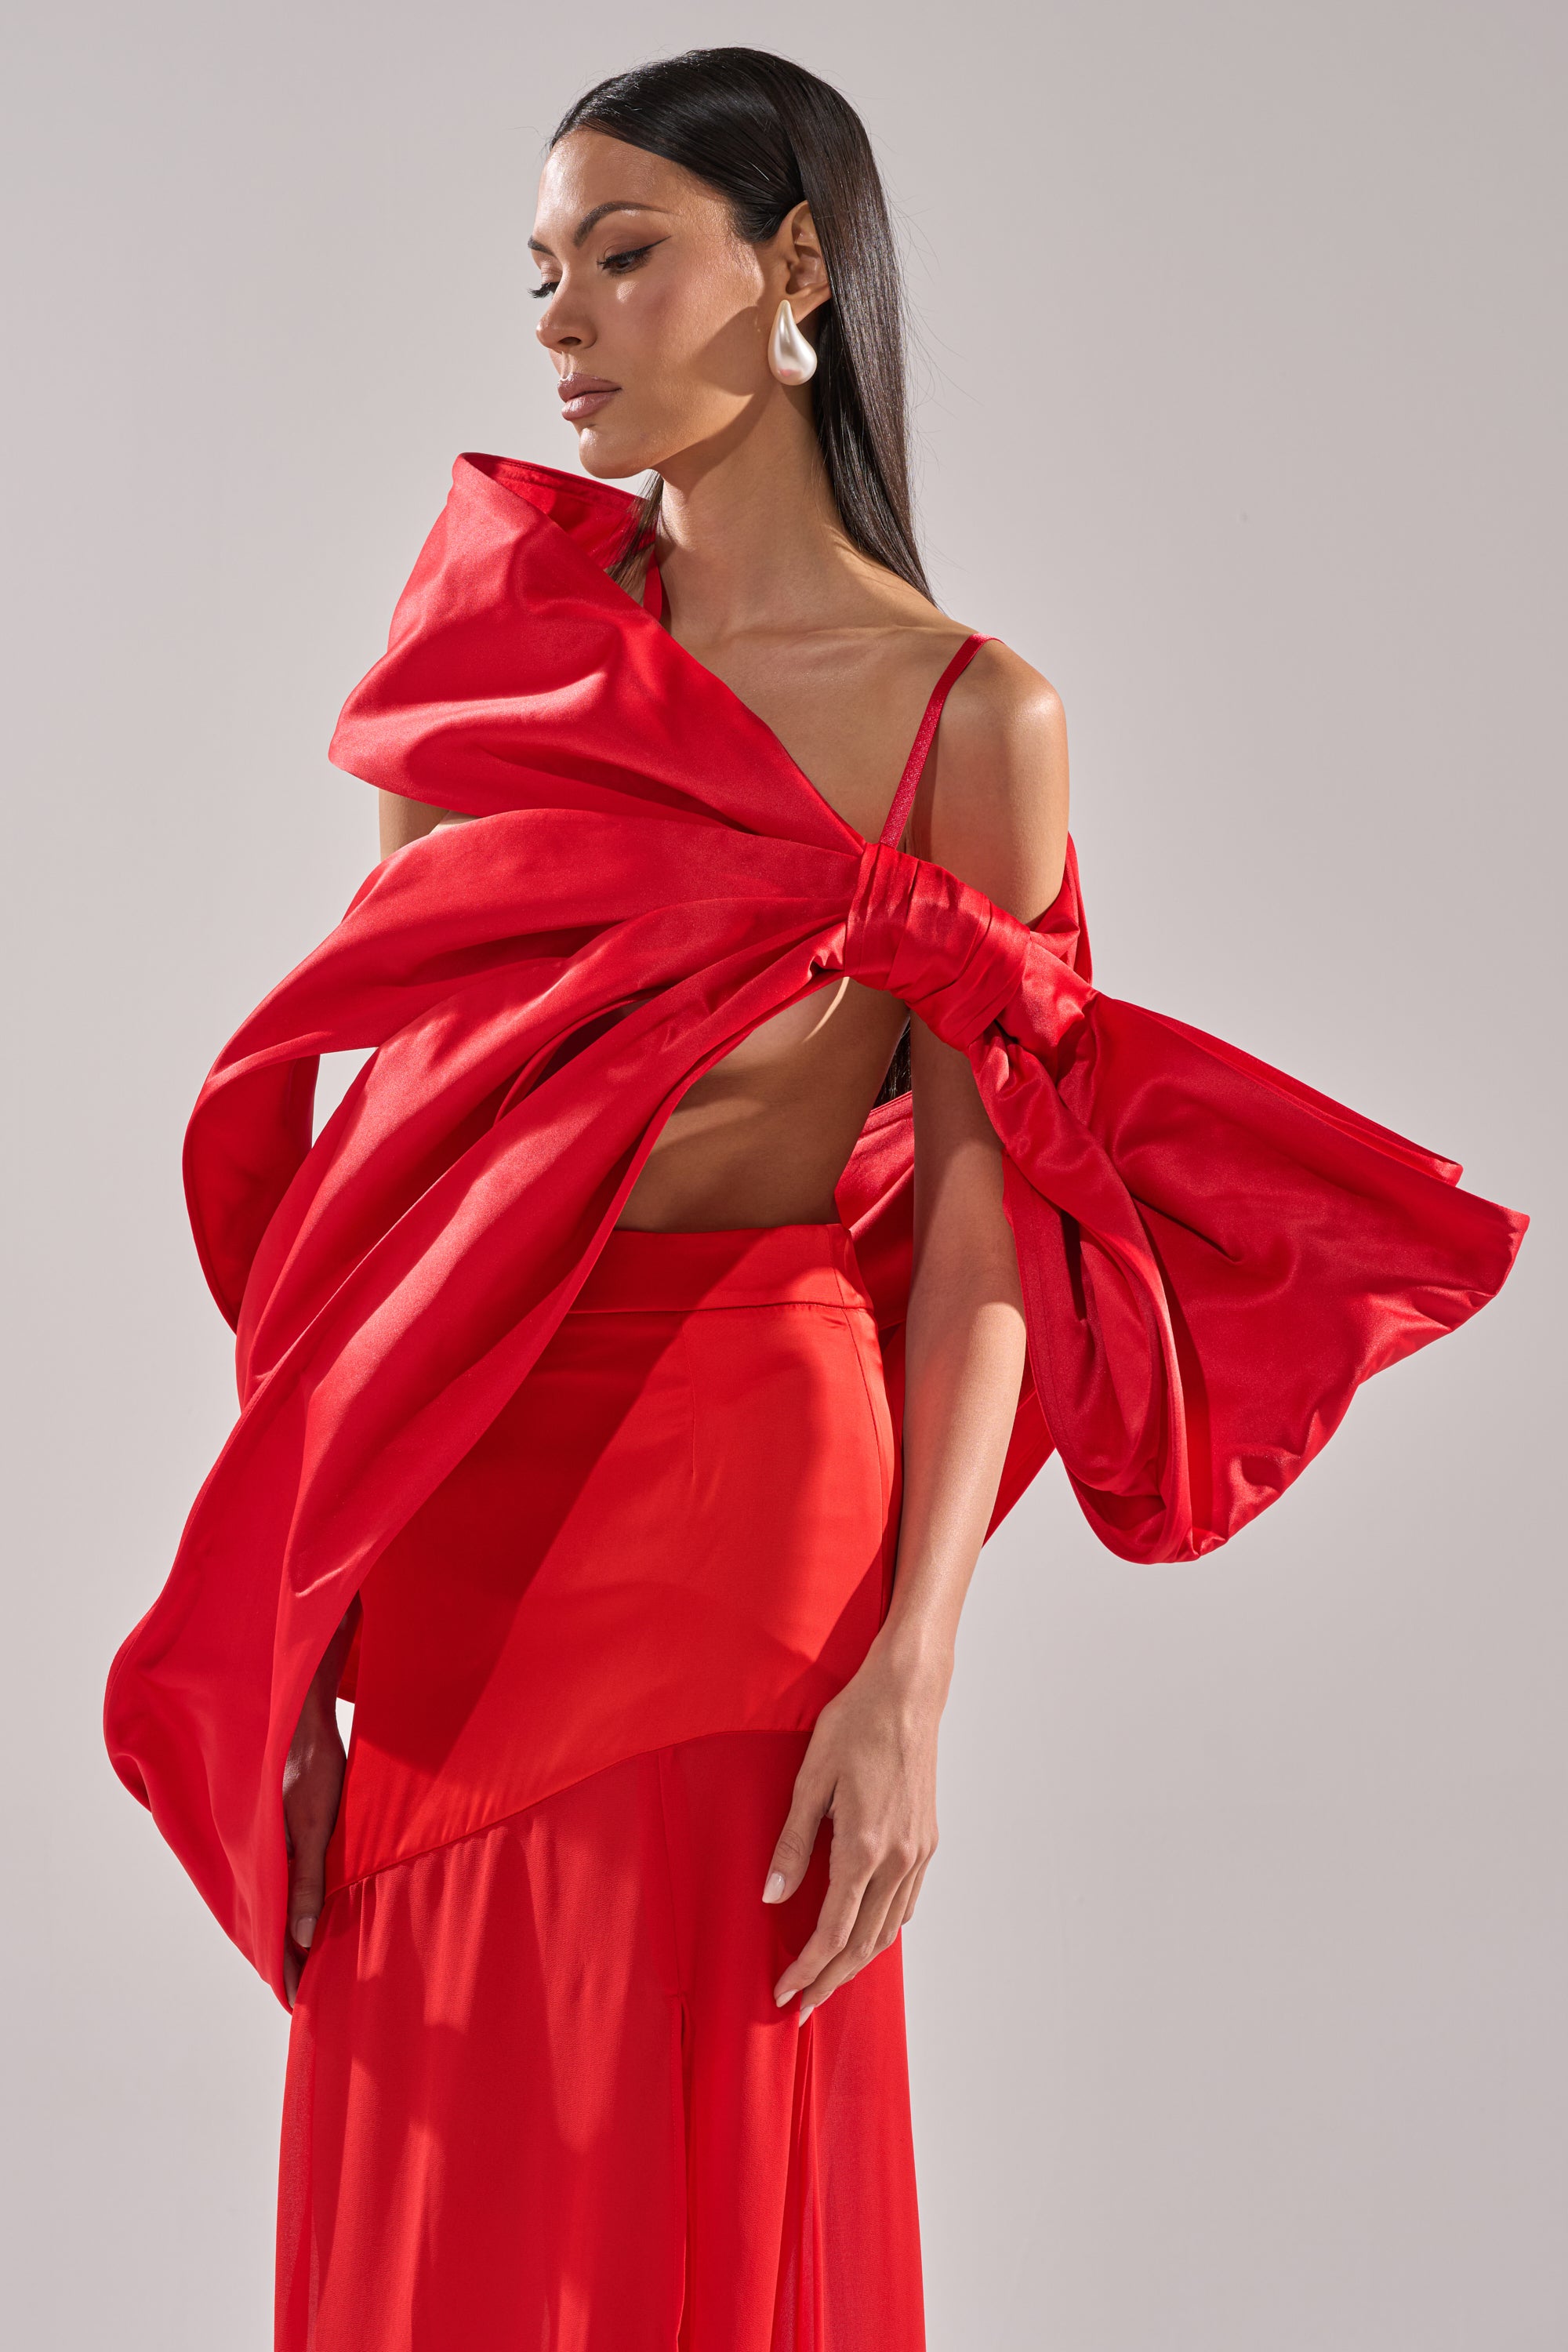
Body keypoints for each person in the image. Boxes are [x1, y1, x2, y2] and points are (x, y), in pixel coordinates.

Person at [103, 46, 1526, 2352]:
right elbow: (392, 1168)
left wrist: (918, 1676)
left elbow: (993, 1223)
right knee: (432, 2133)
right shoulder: (500, 657)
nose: (564, 322)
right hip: (457, 1485)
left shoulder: (975, 719)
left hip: (752, 1481)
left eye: (625, 253)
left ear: (792, 274)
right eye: (543, 272)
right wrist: (302, 1597)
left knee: (702, 2123)